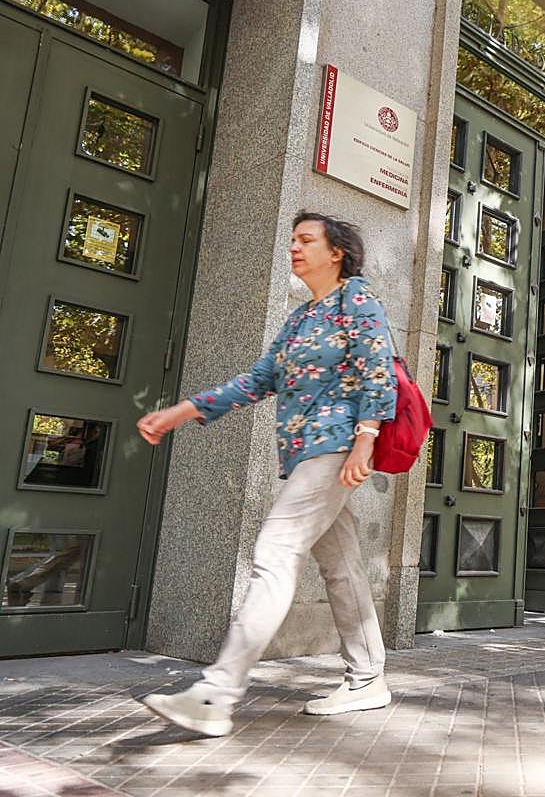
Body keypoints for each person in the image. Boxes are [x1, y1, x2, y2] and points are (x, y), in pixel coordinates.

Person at [136, 212, 398, 737]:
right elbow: (258, 380)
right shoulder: (302, 319)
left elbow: (378, 369)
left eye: (306, 240)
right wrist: (181, 412)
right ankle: (368, 677)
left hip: (337, 446)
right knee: (341, 563)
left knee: (275, 553)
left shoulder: (357, 299)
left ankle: (217, 693)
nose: (295, 248)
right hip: (307, 455)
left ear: (336, 252)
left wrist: (365, 439)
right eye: (293, 240)